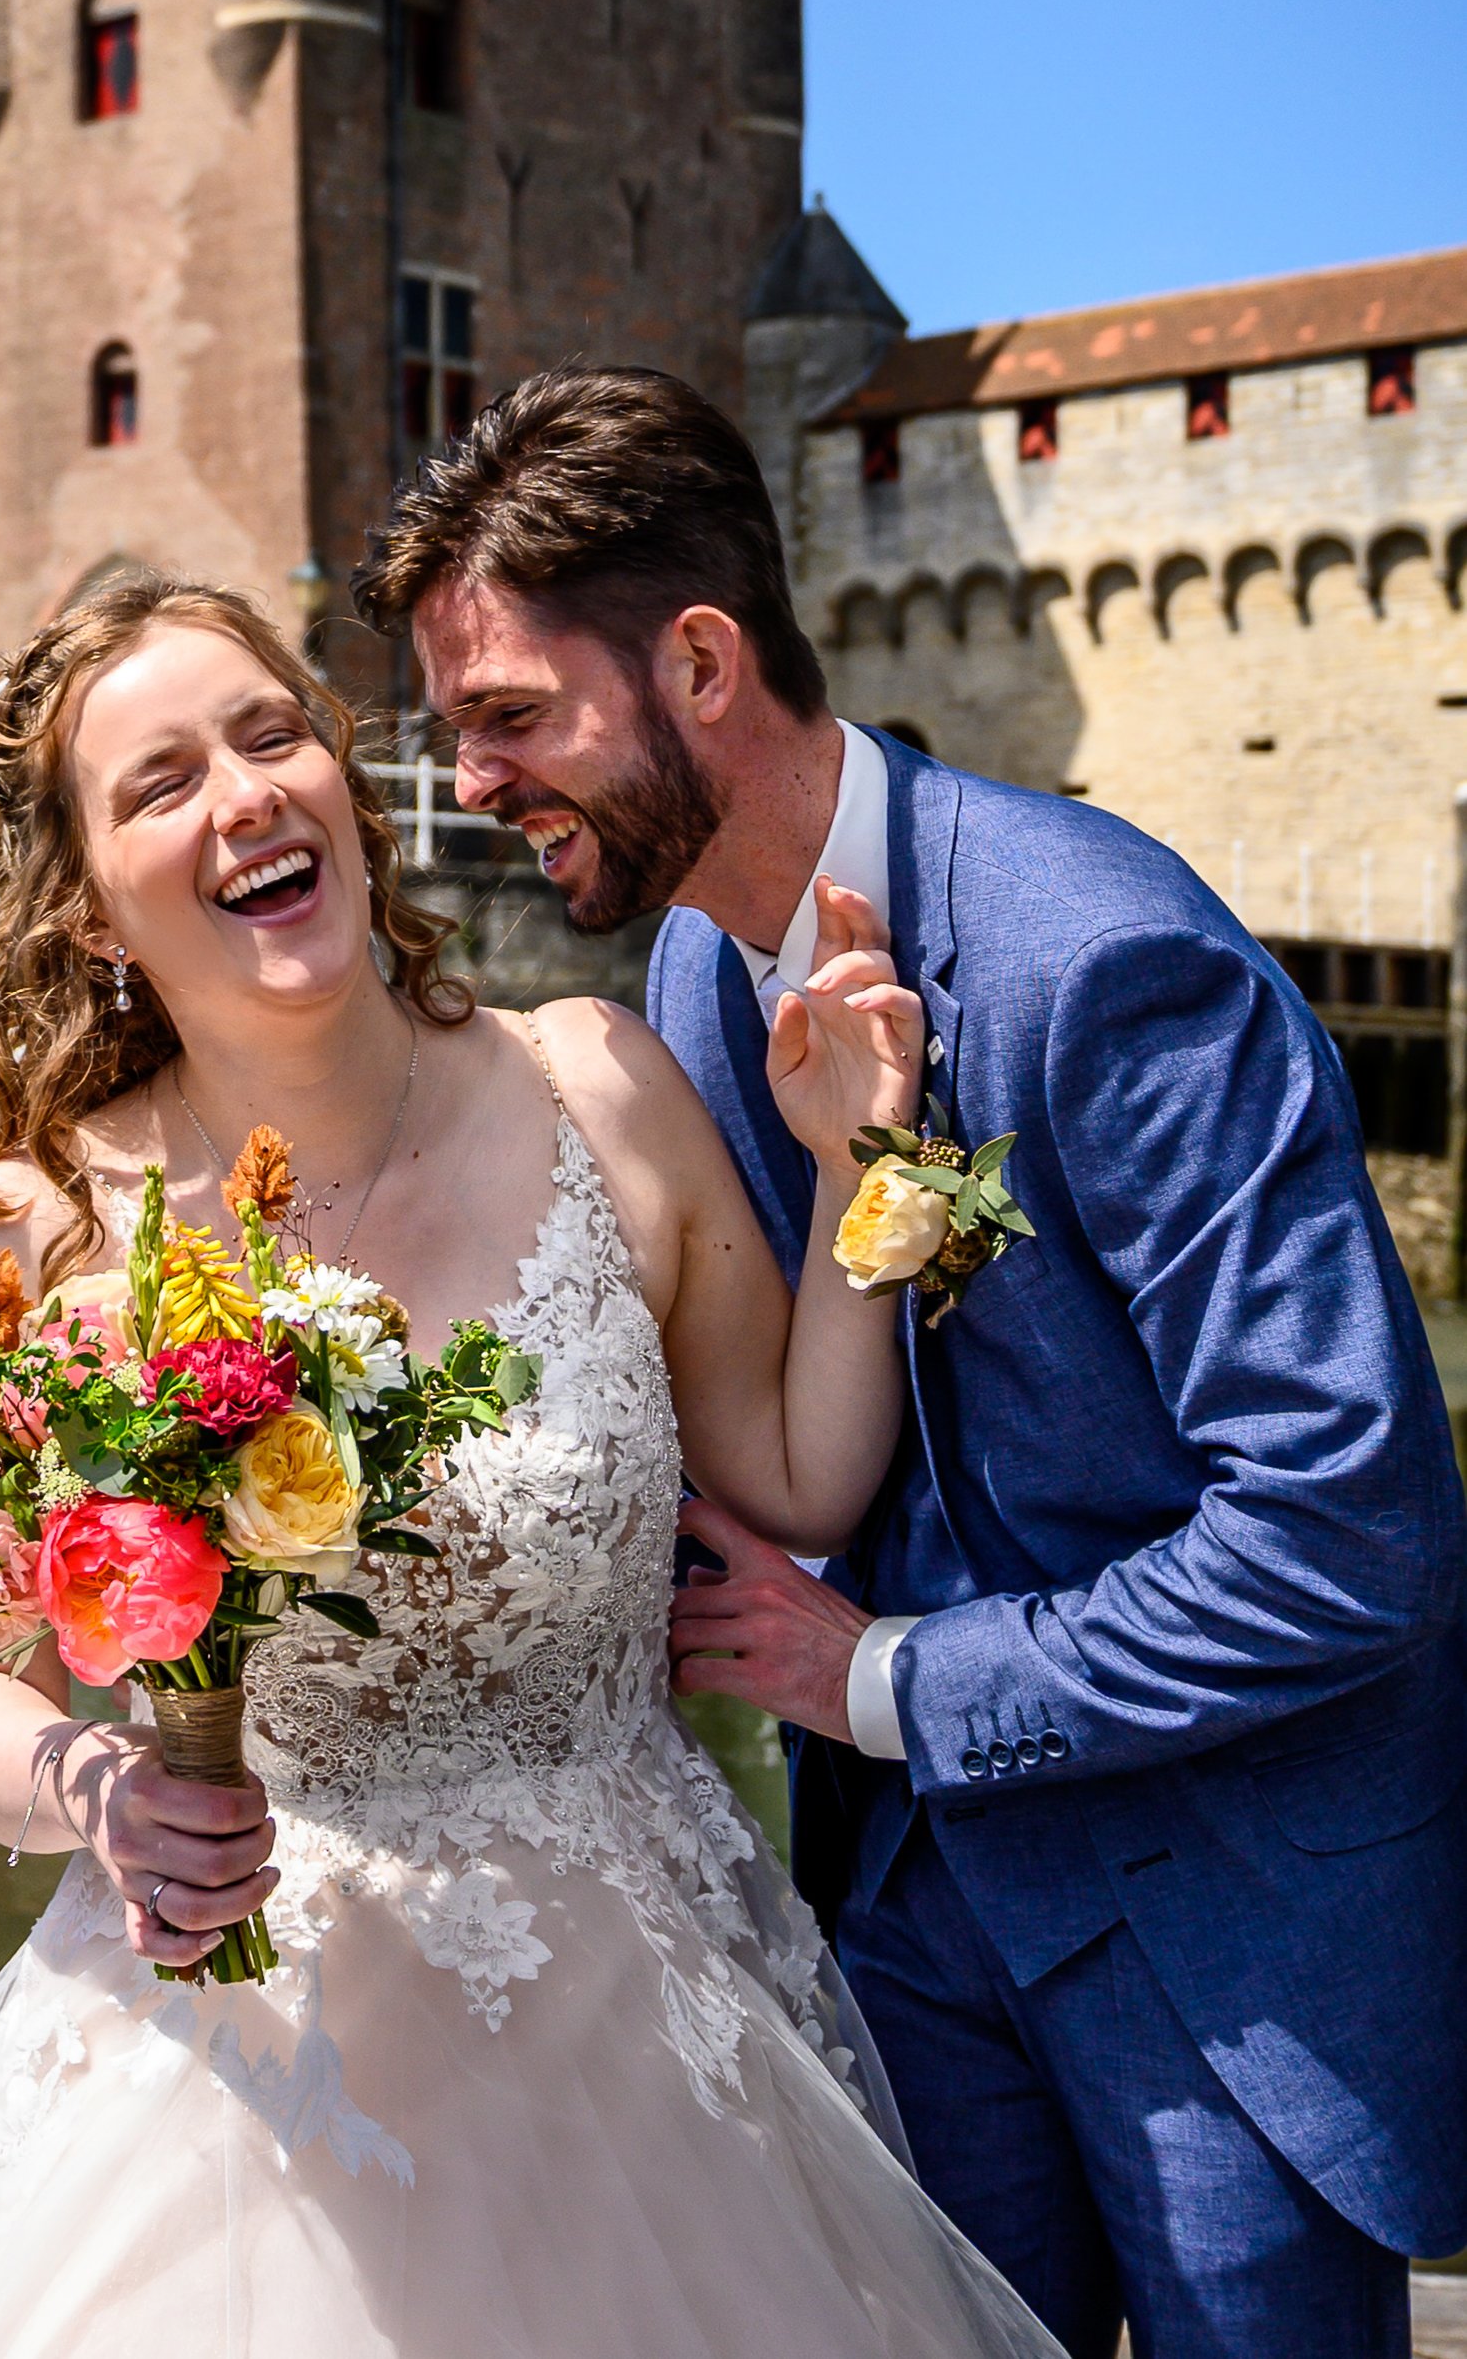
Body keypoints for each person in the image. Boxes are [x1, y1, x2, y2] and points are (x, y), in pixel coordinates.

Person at [0, 569, 1058, 2359]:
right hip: (231, 2057)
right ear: (85, 910)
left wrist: (863, 1163)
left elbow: (797, 1475)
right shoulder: (36, 1227)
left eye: (273, 731)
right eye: (160, 783)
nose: (244, 794)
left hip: (648, 2020)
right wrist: (102, 1794)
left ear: (346, 782)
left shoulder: (596, 1080)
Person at [359, 366, 1467, 2359]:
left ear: (696, 662)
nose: (471, 788)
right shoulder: (696, 970)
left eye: (508, 720)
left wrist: (884, 1678)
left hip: (1215, 1938)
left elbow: (1342, 1535)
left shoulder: (1102, 963)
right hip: (896, 1920)